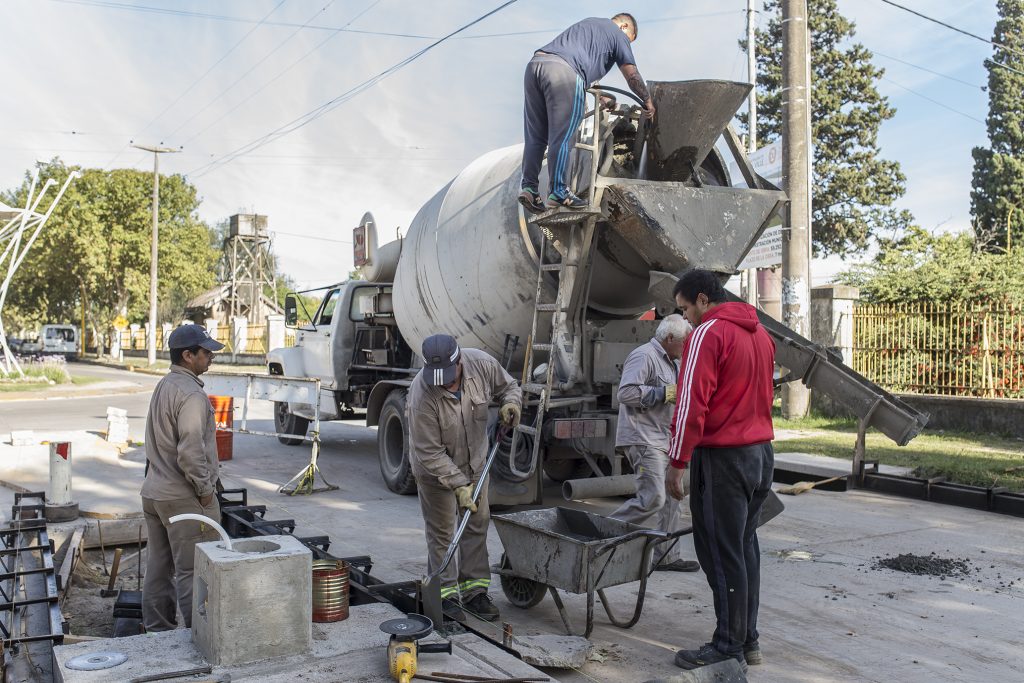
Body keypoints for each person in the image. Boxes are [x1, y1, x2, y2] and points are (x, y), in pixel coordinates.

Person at [665, 270, 776, 673]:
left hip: (723, 459)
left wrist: (677, 463)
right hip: (760, 454)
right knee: (745, 548)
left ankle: (727, 644)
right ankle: (748, 640)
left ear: (702, 300)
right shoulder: (760, 334)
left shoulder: (707, 334)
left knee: (718, 551)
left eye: (685, 310)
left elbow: (692, 403)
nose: (685, 320)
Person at [407, 334, 522, 622]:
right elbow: (429, 452)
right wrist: (459, 485)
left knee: (475, 524)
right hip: (435, 473)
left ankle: (474, 593)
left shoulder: (482, 364)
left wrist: (511, 404)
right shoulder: (421, 394)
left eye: (447, 375)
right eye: (437, 377)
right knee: (443, 532)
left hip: (476, 465)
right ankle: (445, 596)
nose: (443, 382)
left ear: (459, 362)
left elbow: (509, 386)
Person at [519, 13, 656, 213]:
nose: (626, 45)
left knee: (536, 137)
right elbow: (632, 75)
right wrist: (647, 100)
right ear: (624, 26)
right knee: (564, 136)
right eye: (629, 40)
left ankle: (530, 188)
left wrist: (602, 97)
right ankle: (558, 192)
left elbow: (582, 63)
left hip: (536, 66)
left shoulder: (590, 25)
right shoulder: (617, 34)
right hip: (564, 73)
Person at [141, 323, 225, 632]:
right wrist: (204, 492)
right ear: (187, 355)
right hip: (183, 498)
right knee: (196, 570)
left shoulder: (165, 385)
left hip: (154, 493)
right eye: (206, 352)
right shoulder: (192, 395)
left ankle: (157, 631)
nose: (210, 357)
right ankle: (200, 638)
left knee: (159, 567)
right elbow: (191, 450)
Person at [610, 314, 700, 573]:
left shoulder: (674, 362)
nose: (687, 347)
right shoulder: (644, 355)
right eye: (684, 342)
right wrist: (661, 393)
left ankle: (665, 557)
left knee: (673, 496)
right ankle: (597, 534)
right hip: (643, 438)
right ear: (669, 338)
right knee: (653, 498)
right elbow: (625, 393)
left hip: (664, 439)